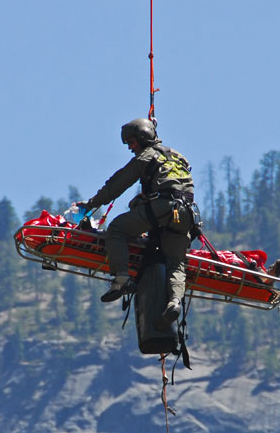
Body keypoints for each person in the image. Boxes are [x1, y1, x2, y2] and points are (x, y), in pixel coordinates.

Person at [75, 118, 195, 329]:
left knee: (117, 229)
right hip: (186, 214)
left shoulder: (146, 156)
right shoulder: (178, 157)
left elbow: (118, 183)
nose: (130, 148)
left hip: (163, 207)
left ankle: (121, 279)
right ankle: (175, 301)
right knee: (175, 263)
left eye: (131, 142)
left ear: (142, 137)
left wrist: (93, 203)